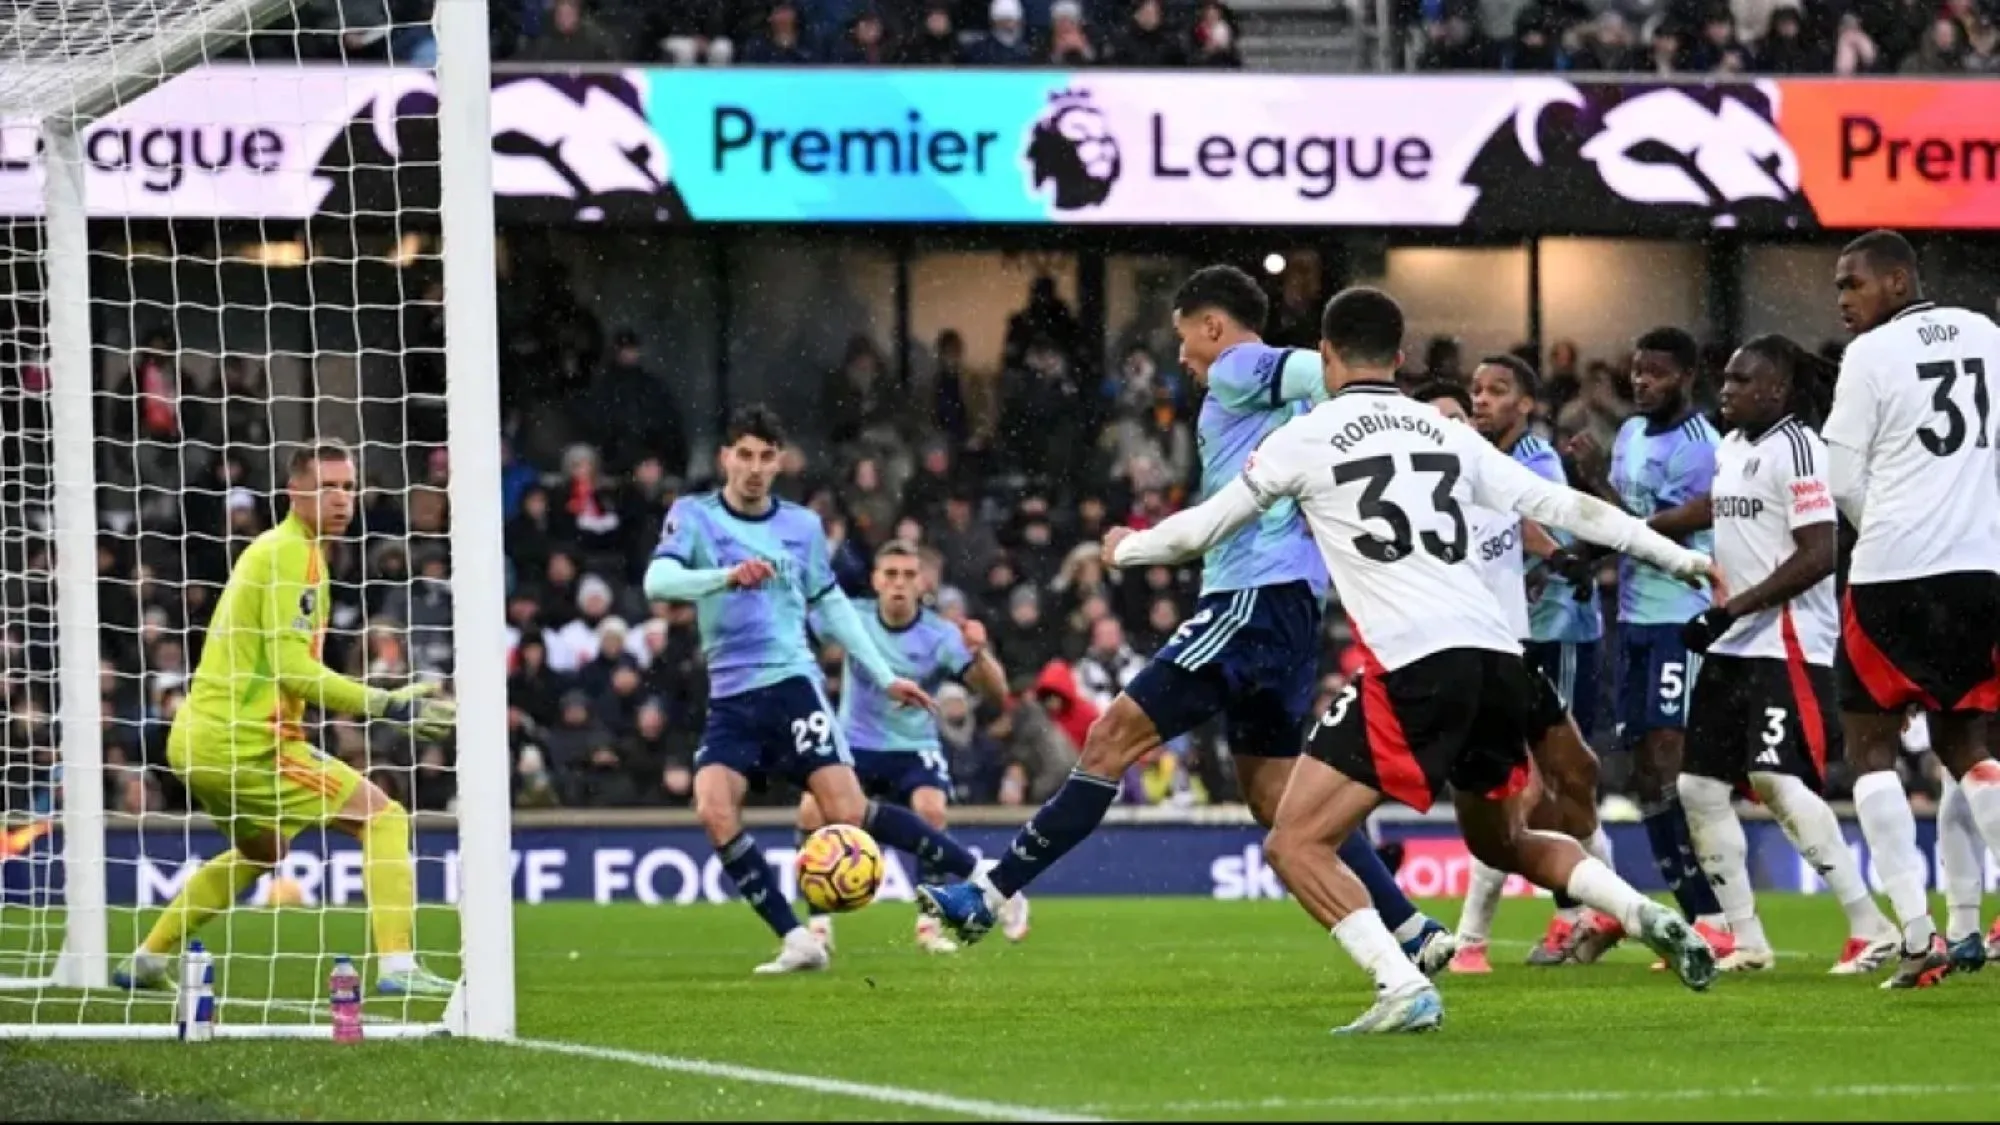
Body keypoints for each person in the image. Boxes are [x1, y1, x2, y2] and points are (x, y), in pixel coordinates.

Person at [1094, 287, 1721, 1034]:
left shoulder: (1309, 434)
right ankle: (1641, 909)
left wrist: (1126, 547)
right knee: (1506, 841)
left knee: (1295, 841)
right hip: (1501, 660)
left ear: (1325, 355)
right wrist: (1676, 555)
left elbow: (1203, 528)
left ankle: (1401, 984)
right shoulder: (1448, 431)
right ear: (1397, 358)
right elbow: (1567, 509)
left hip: (1419, 663)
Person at [916, 266, 1453, 968]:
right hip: (1291, 603)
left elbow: (1330, 373)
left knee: (1109, 738)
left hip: (1249, 603)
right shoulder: (1282, 403)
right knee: (1274, 796)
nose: (1180, 357)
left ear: (1211, 325)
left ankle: (986, 895)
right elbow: (1330, 388)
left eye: (1181, 338)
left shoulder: (1238, 366)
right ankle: (1409, 926)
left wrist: (1405, 411)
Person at [645, 406, 984, 975]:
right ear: (726, 457)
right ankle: (798, 939)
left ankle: (980, 876)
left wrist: (883, 673)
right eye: (744, 455)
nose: (754, 468)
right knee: (713, 809)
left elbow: (829, 604)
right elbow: (658, 581)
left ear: (779, 462)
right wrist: (725, 577)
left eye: (765, 456)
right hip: (730, 697)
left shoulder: (800, 527)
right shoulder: (694, 517)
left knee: (848, 811)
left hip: (791, 686)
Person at [114, 442, 458, 996]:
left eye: (348, 487)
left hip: (196, 745)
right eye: (326, 486)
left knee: (263, 851)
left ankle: (147, 959)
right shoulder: (293, 555)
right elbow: (293, 669)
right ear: (294, 492)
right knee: (384, 817)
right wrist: (385, 703)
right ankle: (399, 967)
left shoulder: (278, 551)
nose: (341, 499)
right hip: (249, 745)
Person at [1654, 335, 1899, 975]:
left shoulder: (1800, 448)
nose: (1726, 390)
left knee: (1774, 779)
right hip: (1732, 643)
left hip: (1785, 641)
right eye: (1726, 379)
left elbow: (1821, 552)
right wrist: (1633, 537)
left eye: (1741, 381)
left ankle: (1871, 928)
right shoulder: (1734, 445)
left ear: (1778, 391)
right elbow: (1715, 507)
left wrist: (1732, 608)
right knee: (1698, 786)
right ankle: (1746, 938)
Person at [1822, 229, 2000, 988]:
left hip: (1894, 572)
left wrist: (1892, 522)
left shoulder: (1870, 356)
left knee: (1868, 751)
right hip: (1980, 571)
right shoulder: (1988, 334)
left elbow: (1841, 480)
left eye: (1852, 285)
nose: (1843, 301)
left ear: (1897, 282)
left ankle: (1918, 932)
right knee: (1968, 748)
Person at [1409, 377, 1615, 975]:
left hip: (1520, 648)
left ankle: (1600, 902)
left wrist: (1553, 556)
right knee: (1519, 791)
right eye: (1443, 415)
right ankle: (1475, 941)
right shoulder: (1426, 494)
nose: (1460, 419)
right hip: (1473, 654)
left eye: (1461, 412)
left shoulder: (1487, 470)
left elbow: (1518, 519)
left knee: (1574, 774)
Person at [1566, 328, 1734, 964]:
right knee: (1642, 776)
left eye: (1656, 373)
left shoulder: (1701, 449)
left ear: (1687, 376)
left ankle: (1715, 916)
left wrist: (1590, 483)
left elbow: (1647, 533)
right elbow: (1616, 533)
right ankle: (1699, 915)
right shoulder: (1631, 436)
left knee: (1671, 767)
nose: (1642, 383)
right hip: (1632, 620)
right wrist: (1577, 557)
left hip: (1680, 618)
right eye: (1637, 372)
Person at [796, 541, 1019, 955]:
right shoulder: (851, 617)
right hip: (854, 743)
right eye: (891, 574)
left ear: (923, 583)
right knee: (811, 811)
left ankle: (928, 926)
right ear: (876, 580)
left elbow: (997, 693)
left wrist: (981, 654)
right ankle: (818, 928)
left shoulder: (940, 634)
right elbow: (797, 626)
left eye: (908, 575)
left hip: (913, 745)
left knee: (931, 809)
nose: (899, 583)